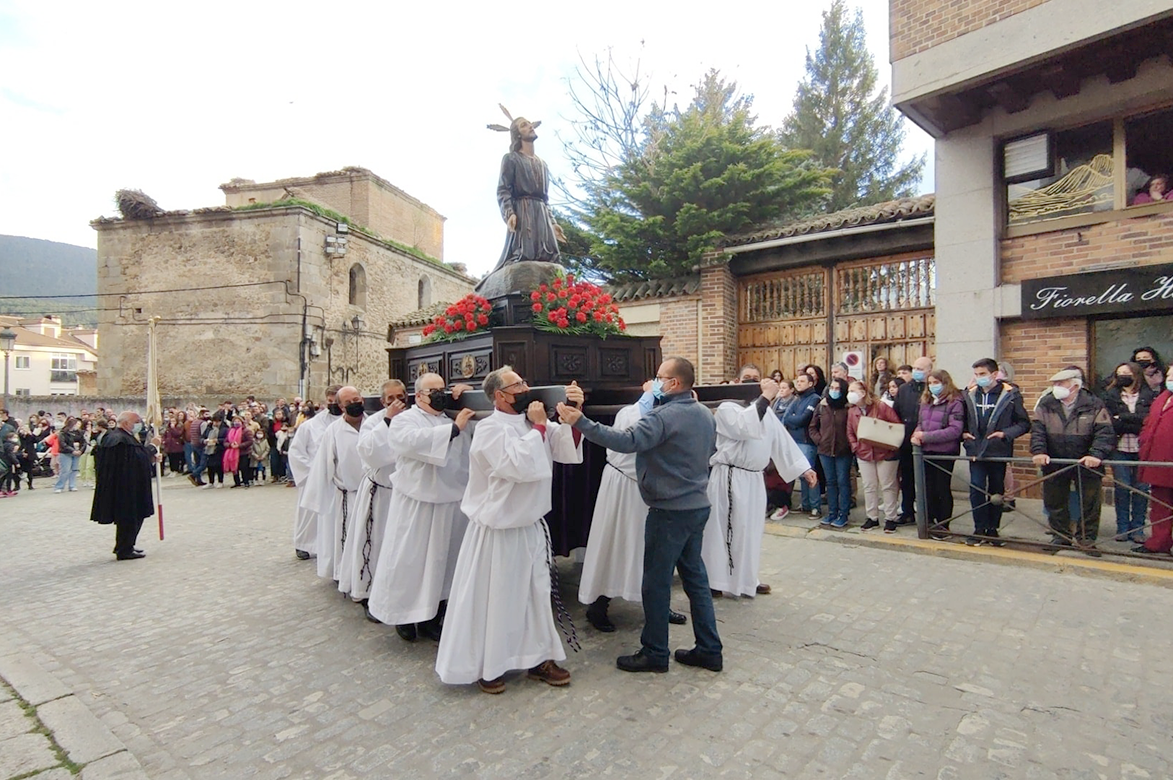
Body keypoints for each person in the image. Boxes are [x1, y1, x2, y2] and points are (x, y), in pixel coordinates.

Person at [560, 357, 724, 676]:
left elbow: (626, 441)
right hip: (696, 506)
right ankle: (709, 649)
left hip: (669, 510)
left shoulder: (663, 416)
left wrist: (581, 421)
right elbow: (710, 451)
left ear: (675, 383)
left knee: (655, 584)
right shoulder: (704, 413)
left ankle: (655, 651)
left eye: (660, 377)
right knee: (696, 580)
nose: (655, 382)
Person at [436, 367, 583, 693]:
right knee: (496, 599)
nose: (526, 388)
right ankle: (488, 664)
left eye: (525, 382)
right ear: (500, 395)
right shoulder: (489, 429)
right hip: (497, 530)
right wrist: (540, 427)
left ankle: (538, 659)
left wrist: (573, 411)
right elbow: (515, 466)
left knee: (535, 596)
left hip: (530, 526)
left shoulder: (532, 424)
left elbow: (566, 448)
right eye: (518, 385)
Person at [368, 375, 474, 642]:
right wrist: (453, 430)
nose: (439, 394)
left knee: (442, 563)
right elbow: (411, 442)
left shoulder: (451, 419)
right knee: (409, 561)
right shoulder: (405, 419)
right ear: (418, 395)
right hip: (416, 504)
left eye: (442, 390)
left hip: (449, 502)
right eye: (432, 391)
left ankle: (433, 616)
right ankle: (402, 616)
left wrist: (468, 396)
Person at [579, 382, 689, 631]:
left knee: (653, 550)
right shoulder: (628, 413)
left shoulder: (671, 414)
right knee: (612, 545)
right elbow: (631, 437)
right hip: (621, 487)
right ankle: (598, 604)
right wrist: (648, 397)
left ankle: (658, 605)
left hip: (651, 491)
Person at [702, 366, 817, 597]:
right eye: (747, 378)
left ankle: (746, 580)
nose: (752, 382)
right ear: (738, 381)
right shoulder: (727, 408)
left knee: (750, 531)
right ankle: (716, 580)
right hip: (731, 477)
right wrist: (765, 397)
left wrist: (804, 468)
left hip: (754, 479)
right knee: (726, 529)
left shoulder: (765, 410)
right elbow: (744, 427)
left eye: (756, 379)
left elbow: (781, 440)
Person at [1030, 368, 1115, 555]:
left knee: (1090, 503)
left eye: (1060, 383)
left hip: (1086, 461)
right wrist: (1039, 451)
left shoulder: (1094, 404)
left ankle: (1086, 539)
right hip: (1055, 460)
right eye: (1055, 384)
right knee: (1055, 501)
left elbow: (1104, 432)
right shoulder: (1046, 403)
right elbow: (1037, 431)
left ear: (1075, 386)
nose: (1056, 387)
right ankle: (1060, 537)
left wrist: (1096, 454)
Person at [342, 380, 407, 620]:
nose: (397, 402)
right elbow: (370, 453)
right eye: (391, 398)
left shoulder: (413, 419)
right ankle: (369, 594)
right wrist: (388, 421)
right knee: (375, 544)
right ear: (383, 402)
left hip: (403, 495)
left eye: (401, 396)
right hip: (380, 494)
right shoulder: (374, 423)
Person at [484, 112, 566, 276]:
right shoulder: (511, 159)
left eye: (529, 123)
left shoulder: (543, 164)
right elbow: (503, 189)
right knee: (524, 257)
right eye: (524, 125)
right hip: (524, 213)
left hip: (542, 216)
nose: (530, 126)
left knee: (551, 259)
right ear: (517, 134)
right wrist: (509, 213)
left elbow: (545, 199)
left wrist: (552, 222)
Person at [961, 358, 1030, 546]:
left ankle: (993, 529)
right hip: (976, 450)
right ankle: (979, 528)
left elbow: (1024, 423)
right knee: (976, 488)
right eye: (976, 374)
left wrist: (1005, 434)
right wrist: (963, 434)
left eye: (982, 374)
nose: (979, 378)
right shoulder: (969, 394)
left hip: (998, 450)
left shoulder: (1010, 395)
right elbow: (961, 419)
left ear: (994, 374)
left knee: (996, 490)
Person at [303, 387, 368, 582]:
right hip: (348, 494)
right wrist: (317, 498)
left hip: (373, 493)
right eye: (348, 402)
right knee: (346, 536)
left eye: (356, 399)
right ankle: (345, 574)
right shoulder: (333, 431)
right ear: (341, 406)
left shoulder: (373, 424)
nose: (354, 404)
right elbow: (323, 464)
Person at [90, 412, 157, 560]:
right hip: (126, 486)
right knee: (129, 518)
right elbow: (137, 458)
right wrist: (152, 447)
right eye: (136, 422)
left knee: (132, 517)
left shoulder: (119, 437)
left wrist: (151, 458)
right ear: (127, 423)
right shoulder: (121, 440)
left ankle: (126, 545)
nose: (138, 425)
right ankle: (125, 548)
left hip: (126, 484)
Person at [1102, 361, 1155, 544]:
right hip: (1119, 448)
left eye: (1126, 373)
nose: (1122, 376)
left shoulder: (1149, 395)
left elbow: (1148, 421)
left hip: (1142, 449)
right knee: (1122, 487)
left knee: (1141, 489)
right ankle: (1122, 528)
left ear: (1136, 374)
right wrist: (1134, 422)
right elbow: (1111, 423)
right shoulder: (1110, 396)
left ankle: (1138, 528)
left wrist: (1124, 418)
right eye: (1119, 373)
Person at [287, 386, 342, 559]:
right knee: (309, 513)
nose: (333, 405)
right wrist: (313, 471)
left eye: (336, 401)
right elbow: (296, 452)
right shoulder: (310, 426)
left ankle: (332, 545)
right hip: (314, 475)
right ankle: (303, 543)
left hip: (340, 477)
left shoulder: (353, 422)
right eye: (330, 401)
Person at [910, 370, 965, 540]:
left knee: (942, 488)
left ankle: (943, 524)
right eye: (930, 383)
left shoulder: (955, 402)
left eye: (936, 382)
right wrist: (916, 434)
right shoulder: (926, 401)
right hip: (926, 451)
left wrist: (925, 436)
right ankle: (928, 522)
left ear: (945, 382)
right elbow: (921, 423)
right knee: (927, 488)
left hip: (944, 452)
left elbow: (955, 430)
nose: (932, 386)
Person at [846, 380, 903, 532]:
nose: (850, 394)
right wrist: (855, 447)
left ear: (863, 393)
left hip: (885, 452)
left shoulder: (881, 406)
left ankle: (890, 518)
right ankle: (872, 517)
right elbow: (850, 431)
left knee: (888, 485)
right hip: (864, 453)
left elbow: (896, 426)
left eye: (853, 391)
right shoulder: (852, 411)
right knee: (869, 486)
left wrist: (891, 446)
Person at [1134, 365, 1173, 554]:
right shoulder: (1162, 398)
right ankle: (1159, 543)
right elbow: (1149, 423)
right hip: (1157, 462)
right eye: (1169, 375)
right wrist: (1144, 440)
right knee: (1160, 507)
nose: (1170, 379)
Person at [809, 377, 854, 529]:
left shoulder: (848, 407)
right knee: (830, 482)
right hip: (825, 450)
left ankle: (843, 514)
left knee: (843, 481)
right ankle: (832, 512)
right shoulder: (822, 406)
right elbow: (813, 426)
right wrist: (819, 440)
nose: (834, 391)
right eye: (832, 388)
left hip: (843, 451)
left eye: (838, 389)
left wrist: (849, 444)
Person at [895, 356, 932, 524]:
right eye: (915, 368)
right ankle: (907, 511)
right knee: (907, 478)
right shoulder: (904, 389)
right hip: (906, 440)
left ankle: (929, 515)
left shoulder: (932, 388)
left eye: (920, 369)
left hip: (927, 440)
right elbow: (896, 412)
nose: (917, 372)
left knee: (928, 481)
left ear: (929, 370)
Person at [782, 373, 822, 519]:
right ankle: (805, 505)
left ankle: (815, 507)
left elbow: (803, 419)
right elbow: (786, 417)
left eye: (802, 381)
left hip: (806, 442)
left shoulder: (814, 399)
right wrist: (793, 419)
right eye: (797, 381)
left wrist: (793, 419)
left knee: (810, 474)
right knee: (801, 475)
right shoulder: (797, 399)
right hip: (794, 440)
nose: (798, 383)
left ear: (810, 384)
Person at [54, 417, 86, 493]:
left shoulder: (79, 433)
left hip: (77, 452)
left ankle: (72, 485)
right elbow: (62, 443)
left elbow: (84, 442)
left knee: (74, 469)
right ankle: (59, 486)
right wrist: (72, 450)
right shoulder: (63, 433)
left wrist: (81, 450)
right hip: (66, 453)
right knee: (65, 470)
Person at [163, 411, 187, 477]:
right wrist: (164, 441)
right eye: (171, 421)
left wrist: (173, 428)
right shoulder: (168, 428)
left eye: (174, 421)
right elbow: (165, 435)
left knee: (175, 458)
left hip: (176, 445)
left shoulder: (179, 427)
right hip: (169, 445)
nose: (172, 422)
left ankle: (175, 470)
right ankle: (172, 470)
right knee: (170, 458)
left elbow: (178, 434)